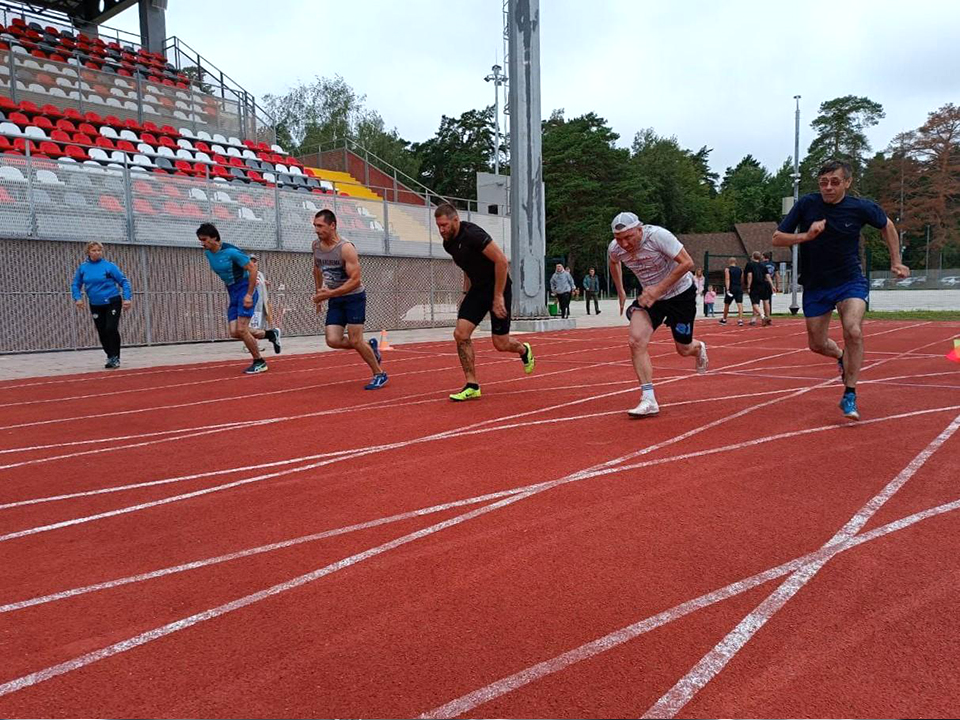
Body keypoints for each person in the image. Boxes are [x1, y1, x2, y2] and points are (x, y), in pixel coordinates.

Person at [773, 159, 909, 420]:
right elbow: (777, 238)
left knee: (853, 330)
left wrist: (896, 261)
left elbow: (887, 225)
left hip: (849, 280)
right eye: (823, 182)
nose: (828, 187)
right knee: (816, 343)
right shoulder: (807, 205)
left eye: (835, 182)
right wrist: (805, 237)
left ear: (847, 182)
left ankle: (850, 393)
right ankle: (839, 355)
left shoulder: (860, 207)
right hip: (816, 284)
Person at [608, 211, 708, 417]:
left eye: (628, 237)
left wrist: (658, 289)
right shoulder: (615, 248)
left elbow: (688, 263)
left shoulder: (658, 236)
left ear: (639, 229)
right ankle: (648, 398)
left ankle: (698, 348)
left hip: (680, 294)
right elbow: (613, 262)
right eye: (619, 239)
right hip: (650, 298)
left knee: (683, 348)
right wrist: (620, 290)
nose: (624, 244)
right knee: (636, 341)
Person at [434, 202, 535, 401]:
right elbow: (467, 266)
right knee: (460, 334)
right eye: (438, 225)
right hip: (478, 289)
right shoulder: (449, 243)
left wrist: (498, 297)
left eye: (444, 225)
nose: (441, 229)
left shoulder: (473, 235)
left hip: (499, 285)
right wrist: (466, 292)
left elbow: (501, 261)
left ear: (456, 220)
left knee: (500, 343)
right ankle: (472, 385)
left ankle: (524, 350)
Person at [311, 209, 388, 390]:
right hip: (335, 298)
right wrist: (319, 292)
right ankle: (369, 346)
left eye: (320, 226)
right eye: (315, 226)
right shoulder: (316, 246)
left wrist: (328, 294)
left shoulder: (346, 248)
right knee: (333, 340)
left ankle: (379, 373)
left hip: (354, 298)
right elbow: (316, 268)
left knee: (354, 340)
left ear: (332, 225)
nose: (316, 230)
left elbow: (355, 281)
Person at [197, 223, 280, 374]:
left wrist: (249, 294)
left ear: (214, 238)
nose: (202, 243)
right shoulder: (208, 253)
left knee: (242, 329)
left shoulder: (232, 252)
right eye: (200, 240)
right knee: (235, 332)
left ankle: (259, 361)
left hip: (244, 288)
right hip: (232, 290)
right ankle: (270, 334)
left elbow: (253, 269)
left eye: (204, 240)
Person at [70, 241, 132, 369]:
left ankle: (115, 357)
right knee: (102, 331)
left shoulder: (109, 266)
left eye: (99, 250)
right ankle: (109, 355)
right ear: (88, 252)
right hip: (95, 304)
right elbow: (76, 284)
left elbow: (124, 282)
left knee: (110, 328)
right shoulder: (83, 268)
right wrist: (78, 298)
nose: (97, 253)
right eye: (94, 250)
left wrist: (127, 298)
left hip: (112, 301)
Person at [247, 253, 282, 354]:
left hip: (261, 304)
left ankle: (254, 344)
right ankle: (250, 345)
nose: (253, 262)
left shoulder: (259, 273)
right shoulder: (248, 273)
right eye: (251, 261)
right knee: (251, 326)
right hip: (253, 304)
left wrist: (266, 282)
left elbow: (261, 282)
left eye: (254, 261)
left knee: (258, 325)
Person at [745, 251, 774, 326]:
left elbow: (750, 276)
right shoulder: (763, 265)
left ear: (752, 257)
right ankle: (767, 317)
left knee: (755, 303)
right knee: (766, 301)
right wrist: (772, 285)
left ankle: (762, 316)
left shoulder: (749, 265)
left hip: (755, 285)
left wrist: (748, 286)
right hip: (764, 285)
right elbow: (767, 276)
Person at [719, 256, 744, 326]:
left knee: (727, 304)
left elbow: (727, 279)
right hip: (738, 287)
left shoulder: (727, 269)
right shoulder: (740, 270)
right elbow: (742, 279)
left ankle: (724, 319)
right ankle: (740, 320)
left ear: (729, 262)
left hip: (731, 287)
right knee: (740, 303)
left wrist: (727, 289)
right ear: (736, 262)